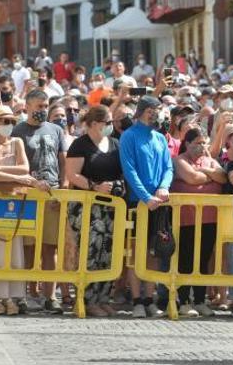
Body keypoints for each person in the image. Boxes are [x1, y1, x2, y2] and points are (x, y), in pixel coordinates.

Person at [0, 105, 50, 316]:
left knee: (13, 247)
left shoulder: (17, 142)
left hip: (14, 201)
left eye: (11, 121)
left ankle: (9, 296)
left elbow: (24, 168)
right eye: (4, 121)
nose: (8, 125)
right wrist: (16, 177)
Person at [64, 105, 123, 317]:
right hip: (87, 206)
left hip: (111, 207)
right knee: (91, 252)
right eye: (107, 123)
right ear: (95, 123)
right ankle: (87, 299)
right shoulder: (80, 145)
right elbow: (72, 174)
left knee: (109, 252)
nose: (111, 126)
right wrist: (94, 186)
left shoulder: (115, 143)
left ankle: (103, 297)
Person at [12, 89, 67, 313]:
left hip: (52, 195)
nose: (42, 110)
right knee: (28, 248)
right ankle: (23, 295)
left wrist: (63, 188)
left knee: (49, 248)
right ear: (27, 106)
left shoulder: (56, 129)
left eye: (45, 106)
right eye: (38, 106)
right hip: (28, 196)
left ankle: (50, 296)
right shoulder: (18, 130)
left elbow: (63, 161)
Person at [119, 95, 172, 318]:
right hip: (136, 203)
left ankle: (150, 299)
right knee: (134, 252)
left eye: (159, 110)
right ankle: (137, 300)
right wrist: (145, 197)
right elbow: (129, 170)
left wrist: (164, 187)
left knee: (154, 251)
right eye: (153, 110)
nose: (157, 114)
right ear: (142, 111)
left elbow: (169, 167)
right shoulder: (129, 136)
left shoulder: (160, 138)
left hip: (158, 203)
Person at [172, 126, 226, 318]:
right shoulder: (179, 160)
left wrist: (204, 169)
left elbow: (222, 177)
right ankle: (184, 300)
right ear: (187, 144)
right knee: (186, 259)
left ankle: (200, 300)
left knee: (203, 260)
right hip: (186, 218)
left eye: (204, 143)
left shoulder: (210, 160)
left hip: (209, 219)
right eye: (197, 143)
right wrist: (209, 177)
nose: (201, 147)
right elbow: (192, 178)